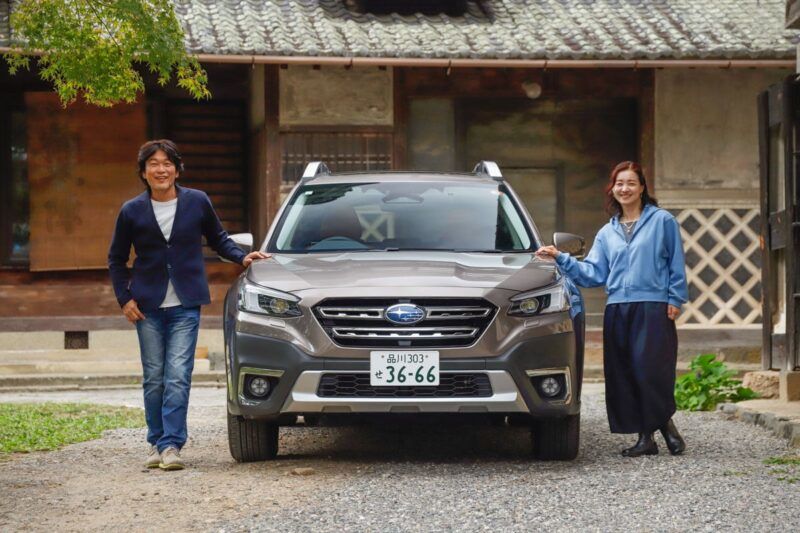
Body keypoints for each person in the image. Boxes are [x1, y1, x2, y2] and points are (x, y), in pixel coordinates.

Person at [108, 140, 268, 470]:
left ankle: (171, 446)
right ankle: (156, 440)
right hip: (146, 305)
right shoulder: (131, 211)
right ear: (143, 172)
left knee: (178, 375)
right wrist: (124, 299)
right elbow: (116, 259)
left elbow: (219, 238)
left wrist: (241, 256)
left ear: (177, 169)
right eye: (153, 163)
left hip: (185, 304)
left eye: (167, 163)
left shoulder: (197, 201)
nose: (161, 169)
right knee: (154, 377)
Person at [536, 161, 689, 457]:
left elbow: (675, 262)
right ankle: (647, 438)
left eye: (631, 183)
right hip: (618, 308)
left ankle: (666, 425)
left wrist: (675, 298)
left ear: (642, 188)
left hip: (653, 305)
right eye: (620, 183)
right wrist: (560, 258)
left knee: (651, 370)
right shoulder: (608, 232)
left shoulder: (662, 221)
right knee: (626, 372)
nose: (625, 188)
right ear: (613, 189)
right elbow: (593, 274)